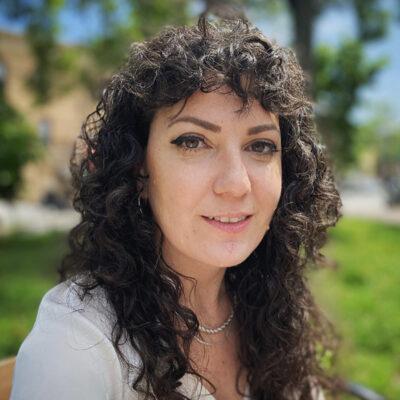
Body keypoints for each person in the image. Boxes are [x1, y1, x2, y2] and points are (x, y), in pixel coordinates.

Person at [10, 15, 342, 400]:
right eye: (192, 141)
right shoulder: (75, 345)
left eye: (261, 145)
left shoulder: (274, 307)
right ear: (139, 170)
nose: (237, 184)